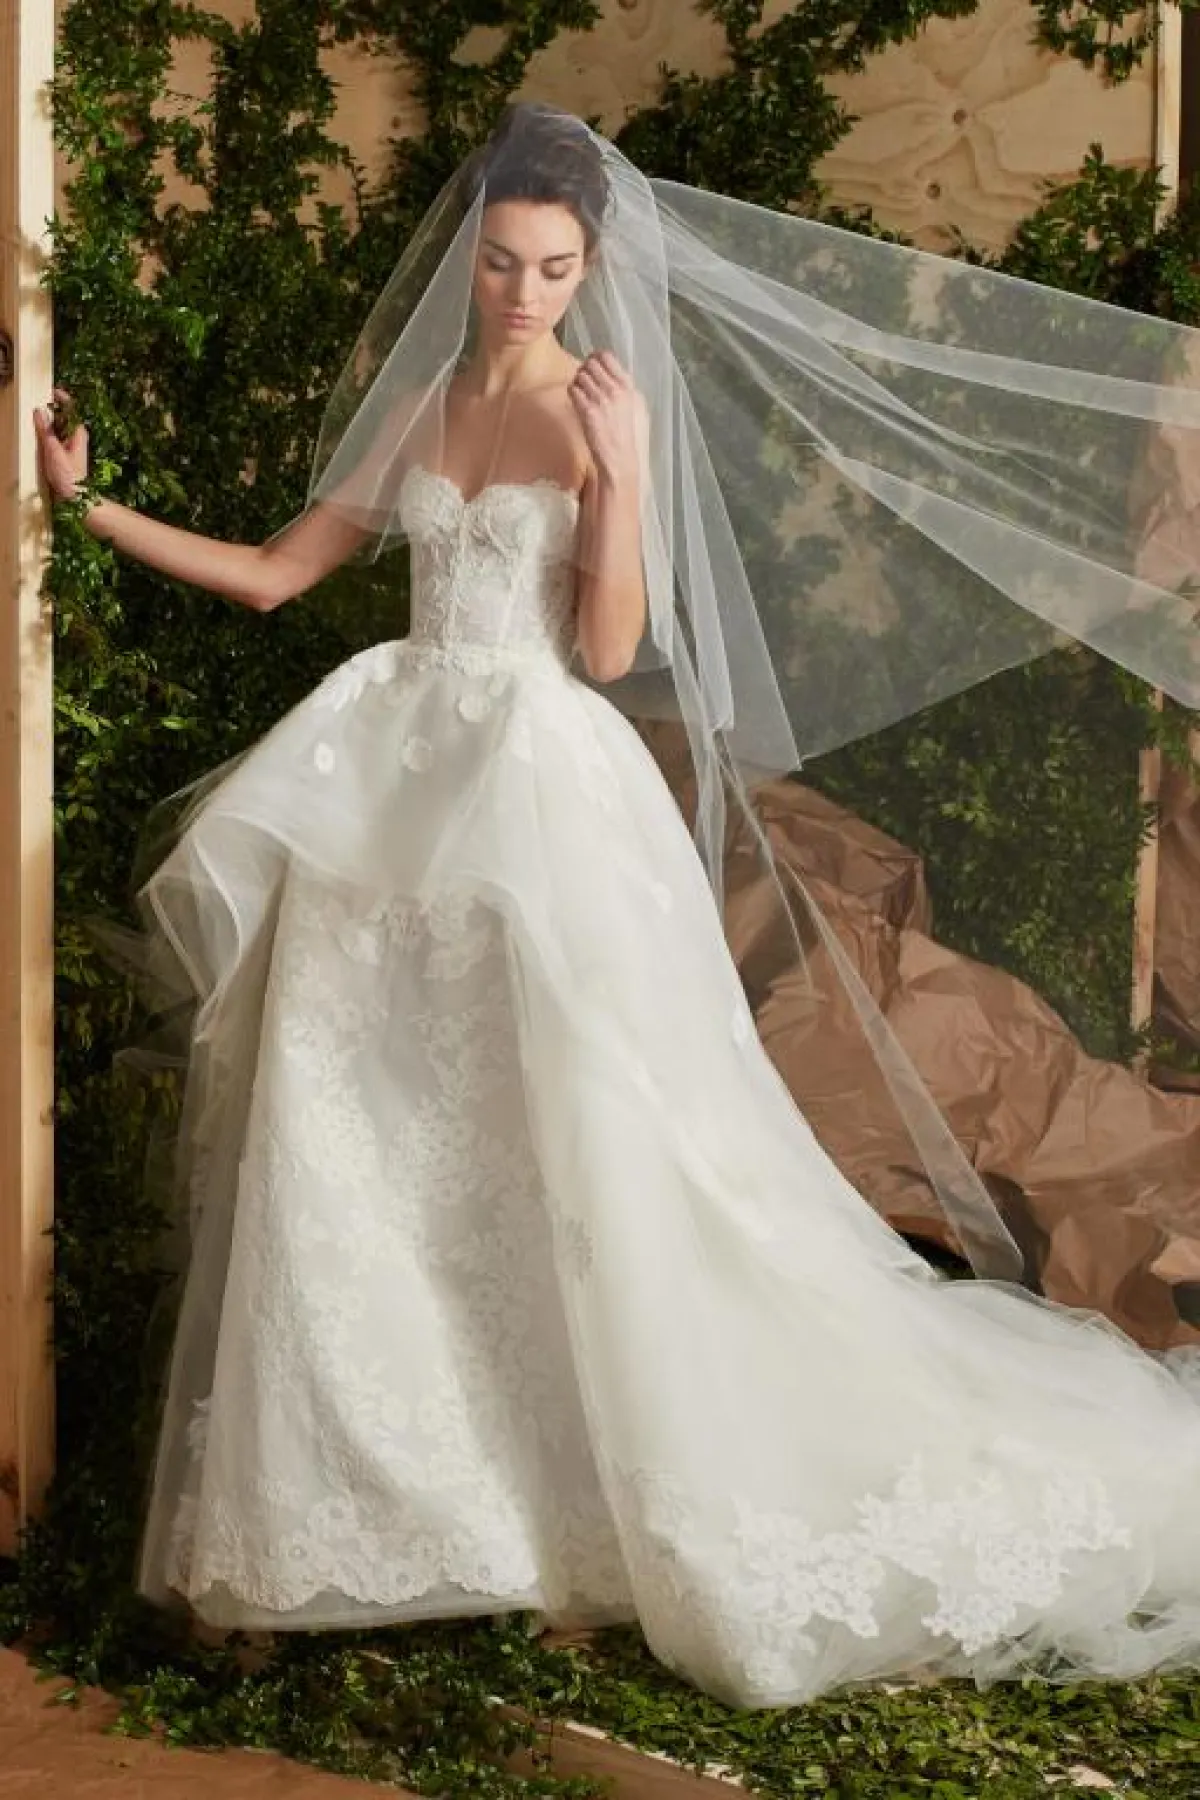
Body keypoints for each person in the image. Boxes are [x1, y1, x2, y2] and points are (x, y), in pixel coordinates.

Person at [33, 101, 1200, 1712]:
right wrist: (81, 505)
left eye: (556, 268)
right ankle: (358, 1516)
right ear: (470, 255)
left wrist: (630, 469)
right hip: (392, 793)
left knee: (572, 1147)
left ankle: (570, 1504)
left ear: (592, 268)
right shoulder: (425, 401)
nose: (525, 293)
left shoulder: (598, 409)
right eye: (504, 263)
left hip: (535, 797)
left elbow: (604, 649)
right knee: (362, 1138)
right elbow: (279, 572)